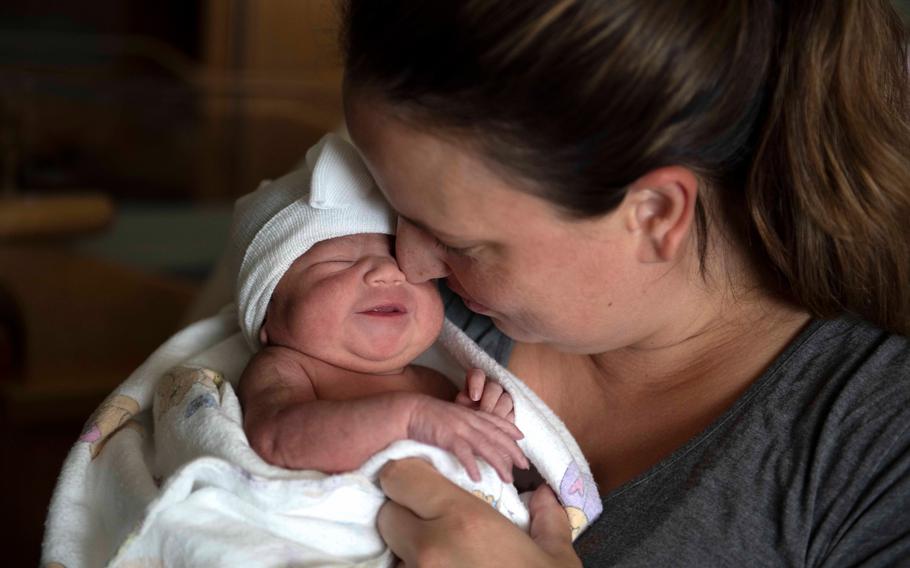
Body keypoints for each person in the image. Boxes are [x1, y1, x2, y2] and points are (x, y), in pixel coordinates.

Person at [338, 0, 910, 565]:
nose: (406, 266)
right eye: (386, 200)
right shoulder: (349, 277)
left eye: (458, 243)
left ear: (655, 214)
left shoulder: (876, 458)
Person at [233, 134, 529, 485]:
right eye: (340, 262)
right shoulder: (287, 368)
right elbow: (276, 439)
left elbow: (473, 477)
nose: (389, 272)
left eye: (397, 259)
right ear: (268, 315)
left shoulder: (434, 382)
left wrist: (477, 420)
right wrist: (408, 420)